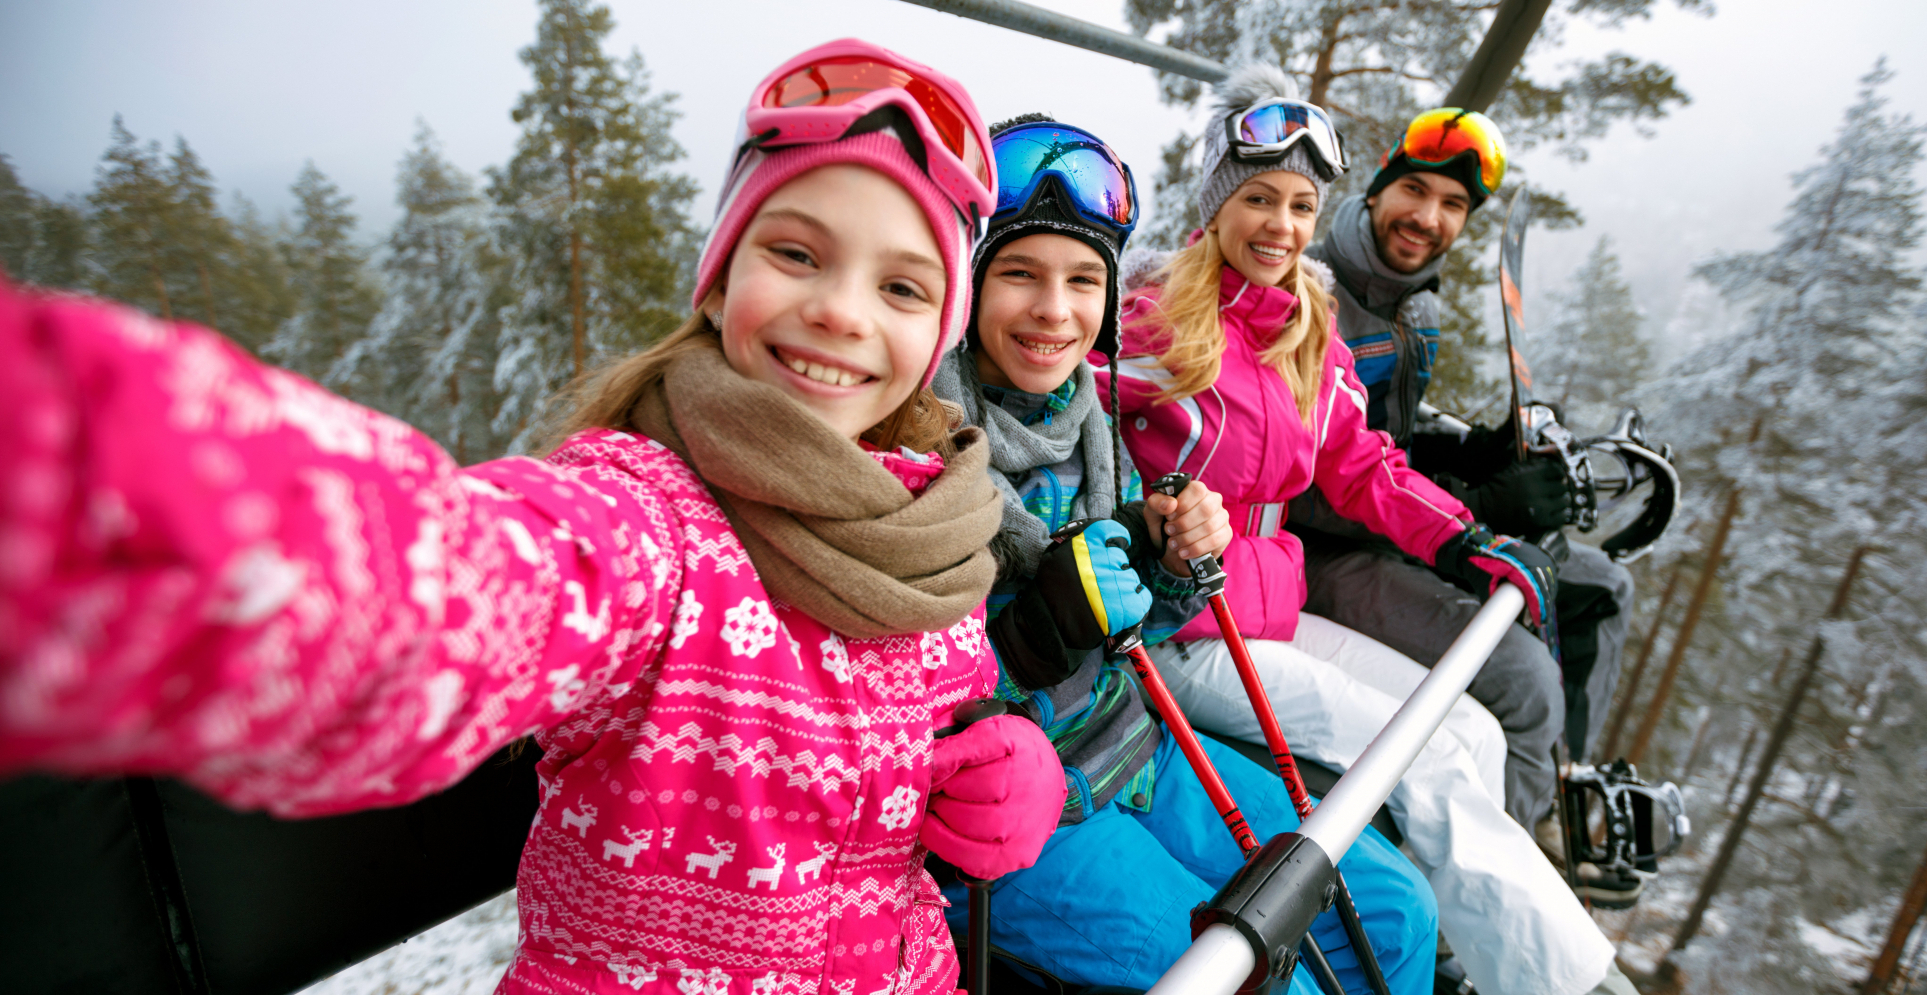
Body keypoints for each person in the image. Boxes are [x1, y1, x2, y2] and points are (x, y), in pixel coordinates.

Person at [0, 39, 1068, 995]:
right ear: (720, 273)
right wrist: (85, 464)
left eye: (901, 287)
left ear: (938, 336)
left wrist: (993, 767)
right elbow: (447, 590)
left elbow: (928, 733)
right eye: (795, 252)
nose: (840, 307)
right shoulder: (647, 520)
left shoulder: (932, 521)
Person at [1107, 70, 1633, 995]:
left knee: (1465, 729)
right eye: (1259, 198)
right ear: (1219, 202)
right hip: (1186, 626)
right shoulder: (1157, 316)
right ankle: (1565, 982)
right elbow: (1068, 411)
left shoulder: (1308, 323)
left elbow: (1362, 460)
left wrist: (1465, 539)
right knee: (1424, 755)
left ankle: (1462, 948)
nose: (1280, 226)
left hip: (1272, 605)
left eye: (1302, 205)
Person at [929, 114, 1437, 995]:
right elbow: (890, 690)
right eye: (1019, 273)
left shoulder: (1088, 417)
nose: (1056, 310)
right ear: (965, 287)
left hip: (1135, 740)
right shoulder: (924, 439)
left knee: (1397, 914)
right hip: (1027, 808)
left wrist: (1165, 555)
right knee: (1274, 979)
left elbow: (1132, 617)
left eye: (1084, 279)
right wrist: (1028, 641)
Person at [1288, 108, 1641, 904]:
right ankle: (1469, 911)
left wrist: (1474, 453)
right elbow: (1304, 480)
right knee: (1522, 680)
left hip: (1399, 517)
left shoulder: (1417, 307)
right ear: (1377, 188)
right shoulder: (1315, 297)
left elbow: (1385, 437)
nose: (1429, 217)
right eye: (1413, 190)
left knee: (1599, 589)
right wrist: (1476, 503)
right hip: (1319, 550)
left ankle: (1553, 795)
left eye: (1453, 206)